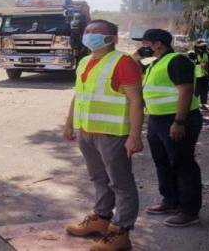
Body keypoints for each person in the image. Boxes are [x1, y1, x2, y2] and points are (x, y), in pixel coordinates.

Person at [63, 20, 144, 251]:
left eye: (97, 32)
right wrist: (69, 124)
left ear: (113, 38)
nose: (90, 35)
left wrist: (135, 136)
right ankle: (101, 218)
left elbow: (136, 100)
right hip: (86, 132)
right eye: (88, 32)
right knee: (98, 178)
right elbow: (79, 96)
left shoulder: (123, 62)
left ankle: (121, 232)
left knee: (121, 183)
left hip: (113, 134)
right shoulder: (85, 61)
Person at [132, 29, 203, 227]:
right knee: (162, 161)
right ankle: (170, 201)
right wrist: (137, 56)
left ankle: (189, 211)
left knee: (182, 164)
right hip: (156, 120)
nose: (143, 46)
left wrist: (179, 121)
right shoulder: (156, 63)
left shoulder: (177, 60)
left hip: (177, 119)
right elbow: (134, 71)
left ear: (158, 44)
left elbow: (186, 91)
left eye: (146, 43)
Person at [191, 39, 209, 109]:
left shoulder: (207, 54)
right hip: (196, 75)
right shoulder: (193, 54)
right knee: (196, 90)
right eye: (201, 45)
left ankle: (203, 104)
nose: (203, 47)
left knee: (204, 90)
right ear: (197, 46)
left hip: (205, 75)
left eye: (204, 45)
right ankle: (193, 104)